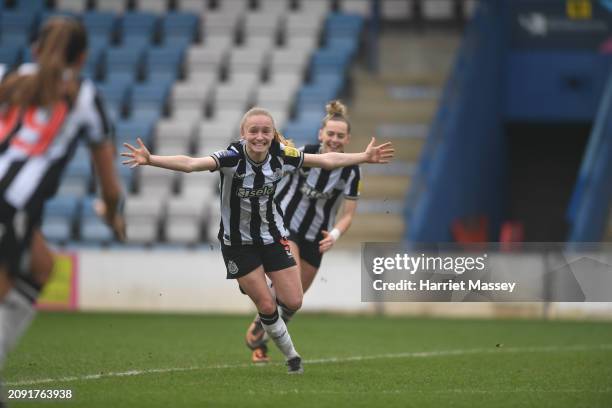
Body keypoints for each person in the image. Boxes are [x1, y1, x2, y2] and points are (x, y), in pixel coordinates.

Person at [121, 107, 394, 374]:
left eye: (266, 131)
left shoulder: (282, 154)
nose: (260, 137)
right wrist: (151, 158)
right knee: (266, 304)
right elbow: (192, 164)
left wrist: (364, 157)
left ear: (273, 134)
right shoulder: (231, 157)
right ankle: (291, 357)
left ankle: (256, 286)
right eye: (254, 131)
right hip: (239, 243)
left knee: (294, 300)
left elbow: (327, 162)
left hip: (272, 237)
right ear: (243, 133)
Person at [0, 17, 125, 401]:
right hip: (9, 204)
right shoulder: (85, 97)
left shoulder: (8, 76)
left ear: (35, 49)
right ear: (84, 57)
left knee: (42, 267)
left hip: (11, 204)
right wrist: (112, 211)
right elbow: (107, 178)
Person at [244, 100, 362, 363]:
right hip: (287, 226)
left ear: (347, 139)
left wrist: (334, 234)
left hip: (316, 238)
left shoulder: (352, 170)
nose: (334, 139)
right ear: (321, 134)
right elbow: (272, 168)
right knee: (289, 283)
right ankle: (260, 281)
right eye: (330, 134)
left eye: (339, 135)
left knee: (292, 302)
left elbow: (349, 215)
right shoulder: (305, 154)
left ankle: (260, 337)